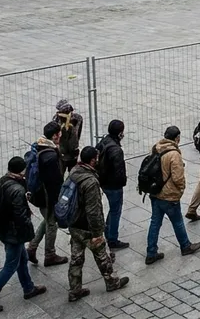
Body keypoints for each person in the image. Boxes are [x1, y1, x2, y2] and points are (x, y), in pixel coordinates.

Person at [0, 156, 46, 313]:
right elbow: (20, 216)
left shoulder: (3, 180)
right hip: (13, 232)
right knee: (10, 265)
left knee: (21, 259)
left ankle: (28, 288)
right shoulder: (17, 189)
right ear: (22, 171)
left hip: (3, 228)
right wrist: (28, 232)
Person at [66, 146, 129, 302]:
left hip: (74, 223)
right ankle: (112, 282)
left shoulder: (74, 171)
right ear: (93, 160)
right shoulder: (91, 181)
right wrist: (97, 233)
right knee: (103, 256)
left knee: (76, 258)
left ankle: (75, 290)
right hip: (87, 226)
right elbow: (93, 210)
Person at [145, 126, 200, 264]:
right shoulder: (174, 154)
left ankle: (151, 252)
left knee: (155, 223)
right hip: (169, 195)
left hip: (155, 192)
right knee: (177, 221)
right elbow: (177, 178)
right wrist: (181, 189)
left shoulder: (156, 147)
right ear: (177, 137)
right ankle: (185, 246)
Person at [27, 122, 68, 267]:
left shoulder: (39, 145)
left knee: (47, 219)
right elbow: (54, 182)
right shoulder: (50, 156)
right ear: (55, 135)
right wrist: (57, 200)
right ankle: (50, 255)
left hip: (38, 193)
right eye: (60, 134)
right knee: (52, 223)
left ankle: (32, 248)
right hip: (47, 196)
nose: (61, 136)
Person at [95, 120, 128, 250]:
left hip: (102, 181)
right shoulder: (116, 150)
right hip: (113, 185)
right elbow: (119, 171)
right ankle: (112, 238)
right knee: (115, 211)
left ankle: (108, 232)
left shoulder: (103, 142)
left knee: (112, 210)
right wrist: (122, 183)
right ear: (120, 133)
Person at [53, 101, 84, 173]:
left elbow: (78, 134)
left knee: (73, 174)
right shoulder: (56, 121)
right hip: (62, 153)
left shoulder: (78, 119)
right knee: (60, 173)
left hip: (73, 152)